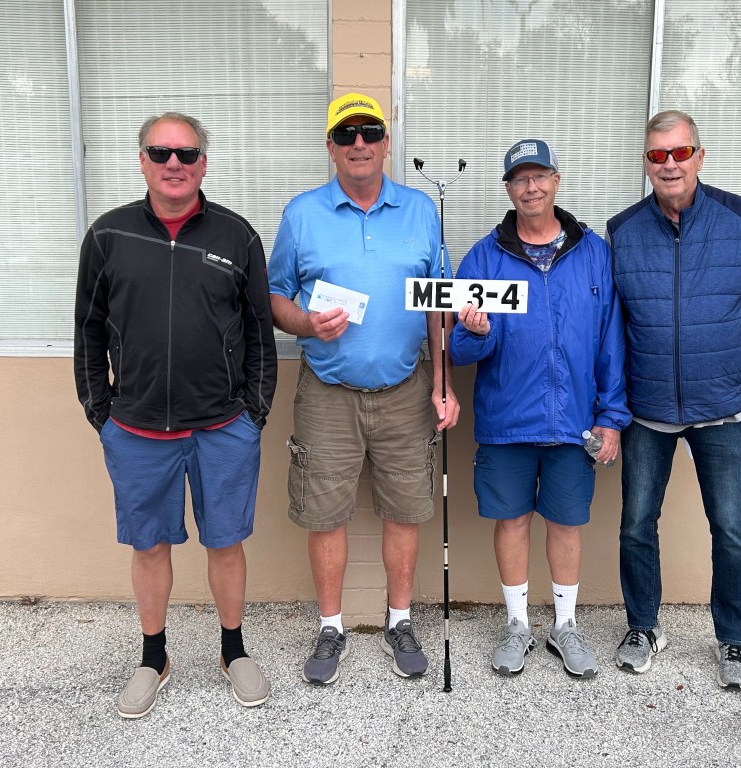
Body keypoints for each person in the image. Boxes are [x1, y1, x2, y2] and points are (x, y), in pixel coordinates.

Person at [74, 112, 277, 717]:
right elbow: (87, 331)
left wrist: (254, 413)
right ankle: (153, 657)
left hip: (222, 427)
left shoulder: (237, 237)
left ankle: (233, 651)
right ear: (142, 161)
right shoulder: (108, 236)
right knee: (149, 547)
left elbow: (260, 333)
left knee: (226, 543)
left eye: (186, 154)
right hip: (136, 431)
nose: (173, 164)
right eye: (160, 152)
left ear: (203, 164)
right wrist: (101, 413)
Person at [268, 92, 459, 685]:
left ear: (386, 143)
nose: (359, 144)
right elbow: (274, 296)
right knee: (325, 514)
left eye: (370, 132)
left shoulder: (421, 210)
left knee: (405, 509)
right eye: (346, 134)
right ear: (330, 146)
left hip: (406, 388)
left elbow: (439, 302)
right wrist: (305, 323)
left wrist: (444, 382)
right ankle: (331, 627)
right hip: (327, 391)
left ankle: (400, 619)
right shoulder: (303, 213)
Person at [450, 139, 630, 678]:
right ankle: (517, 625)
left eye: (539, 176)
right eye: (520, 179)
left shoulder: (593, 252)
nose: (531, 187)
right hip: (508, 420)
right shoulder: (485, 257)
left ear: (556, 180)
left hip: (574, 421)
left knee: (567, 522)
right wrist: (475, 331)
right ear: (508, 189)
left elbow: (611, 339)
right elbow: (459, 351)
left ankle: (565, 626)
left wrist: (610, 416)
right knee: (511, 521)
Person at [605, 110, 741, 690]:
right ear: (646, 163)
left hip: (722, 408)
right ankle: (643, 627)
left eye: (680, 153)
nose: (670, 165)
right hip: (647, 408)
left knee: (730, 526)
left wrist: (720, 364)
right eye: (658, 155)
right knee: (635, 523)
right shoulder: (622, 230)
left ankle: (733, 638)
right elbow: (615, 323)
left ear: (699, 155)